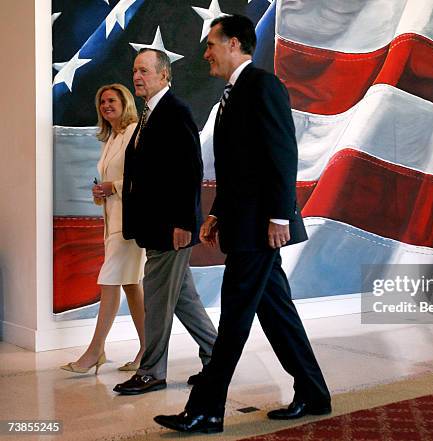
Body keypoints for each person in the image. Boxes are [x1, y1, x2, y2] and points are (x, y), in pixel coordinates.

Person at [154, 15, 331, 433]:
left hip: (260, 227)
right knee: (277, 314)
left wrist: (278, 216)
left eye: (211, 45)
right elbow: (240, 167)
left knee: (234, 318)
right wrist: (217, 212)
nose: (206, 54)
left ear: (234, 43)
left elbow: (282, 154)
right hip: (244, 222)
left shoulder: (263, 86)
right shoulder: (232, 95)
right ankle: (314, 393)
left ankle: (207, 409)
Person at [112, 48, 217, 395]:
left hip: (171, 228)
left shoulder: (175, 112)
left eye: (144, 70)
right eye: (135, 71)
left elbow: (190, 172)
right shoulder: (147, 115)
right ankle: (218, 359)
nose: (137, 76)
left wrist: (184, 223)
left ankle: (152, 371)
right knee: (183, 299)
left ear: (164, 75)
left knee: (156, 300)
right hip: (153, 226)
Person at [60, 84, 146, 375]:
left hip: (131, 226)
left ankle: (95, 351)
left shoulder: (135, 131)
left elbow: (147, 179)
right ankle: (148, 351)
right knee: (133, 288)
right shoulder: (111, 139)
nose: (106, 105)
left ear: (125, 102)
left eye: (112, 100)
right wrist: (101, 194)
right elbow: (111, 182)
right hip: (112, 223)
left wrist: (116, 188)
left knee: (109, 282)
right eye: (102, 102)